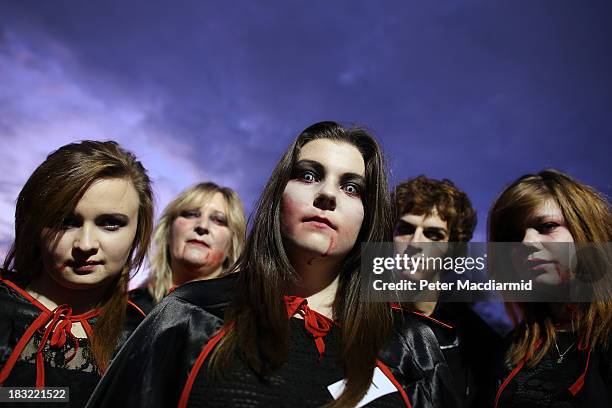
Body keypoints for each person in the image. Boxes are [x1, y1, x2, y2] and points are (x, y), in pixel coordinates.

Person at [86, 121, 457, 408]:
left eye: (351, 187)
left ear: (368, 216)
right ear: (278, 196)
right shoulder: (190, 314)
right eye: (308, 175)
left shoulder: (414, 347)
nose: (326, 194)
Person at [0, 140, 154, 407]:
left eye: (110, 224)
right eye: (66, 221)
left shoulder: (145, 333)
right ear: (34, 223)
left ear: (138, 231)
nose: (85, 245)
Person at [489, 169, 612, 407]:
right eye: (514, 236)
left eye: (547, 226)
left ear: (586, 231)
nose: (527, 242)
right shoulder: (507, 351)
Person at [392, 175, 500, 407]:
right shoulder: (355, 317)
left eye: (433, 234)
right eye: (405, 229)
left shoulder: (479, 342)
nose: (415, 243)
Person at [129, 182, 246, 314]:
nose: (202, 226)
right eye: (191, 214)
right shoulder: (125, 309)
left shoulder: (240, 321)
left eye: (218, 220)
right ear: (168, 232)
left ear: (232, 246)